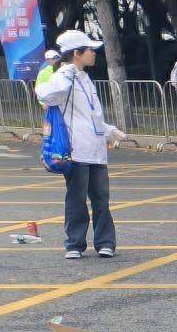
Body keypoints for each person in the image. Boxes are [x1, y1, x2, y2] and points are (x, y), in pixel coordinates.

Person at [37, 28, 127, 259]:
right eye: (90, 50)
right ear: (77, 53)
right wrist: (66, 74)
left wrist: (110, 131)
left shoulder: (85, 78)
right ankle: (74, 244)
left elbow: (92, 116)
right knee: (76, 199)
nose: (94, 54)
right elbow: (45, 94)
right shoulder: (65, 76)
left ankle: (105, 242)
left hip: (96, 150)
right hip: (76, 150)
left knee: (101, 199)